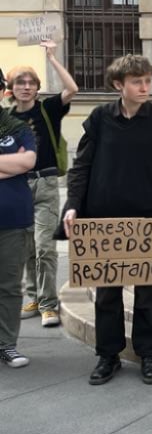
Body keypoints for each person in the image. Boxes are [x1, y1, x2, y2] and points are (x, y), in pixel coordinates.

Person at [61, 55, 152, 385]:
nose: (145, 87)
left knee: (149, 291)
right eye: (137, 81)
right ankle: (108, 355)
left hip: (150, 215)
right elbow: (81, 167)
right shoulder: (99, 119)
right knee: (106, 292)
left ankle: (149, 353)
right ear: (119, 85)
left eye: (147, 80)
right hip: (104, 216)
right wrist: (72, 206)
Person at [9, 41, 79, 328]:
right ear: (11, 88)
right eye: (20, 82)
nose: (26, 87)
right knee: (27, 247)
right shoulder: (7, 118)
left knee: (45, 246)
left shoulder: (48, 108)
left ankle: (49, 305)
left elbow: (72, 88)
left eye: (31, 83)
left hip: (46, 183)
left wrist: (51, 57)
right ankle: (34, 297)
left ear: (37, 87)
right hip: (17, 187)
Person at [0, 106, 36, 369]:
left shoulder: (18, 127)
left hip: (13, 218)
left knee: (9, 286)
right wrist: (11, 164)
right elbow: (18, 164)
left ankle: (6, 344)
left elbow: (28, 162)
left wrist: (20, 164)